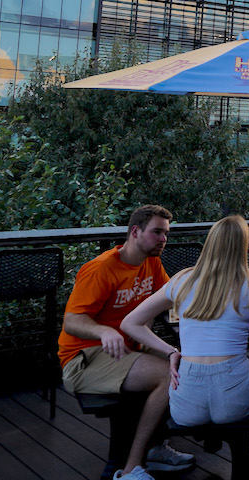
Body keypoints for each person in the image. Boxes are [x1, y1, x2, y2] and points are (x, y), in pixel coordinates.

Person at [57, 205, 195, 480]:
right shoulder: (101, 269)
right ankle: (132, 468)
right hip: (84, 358)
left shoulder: (151, 262)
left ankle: (155, 448)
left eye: (166, 233)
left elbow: (171, 301)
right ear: (135, 231)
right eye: (157, 232)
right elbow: (71, 321)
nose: (163, 239)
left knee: (189, 365)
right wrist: (103, 331)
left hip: (128, 348)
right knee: (169, 376)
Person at [122, 216, 249, 429]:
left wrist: (171, 351)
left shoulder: (183, 280)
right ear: (243, 247)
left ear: (210, 243)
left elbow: (130, 323)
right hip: (235, 396)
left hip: (187, 402)